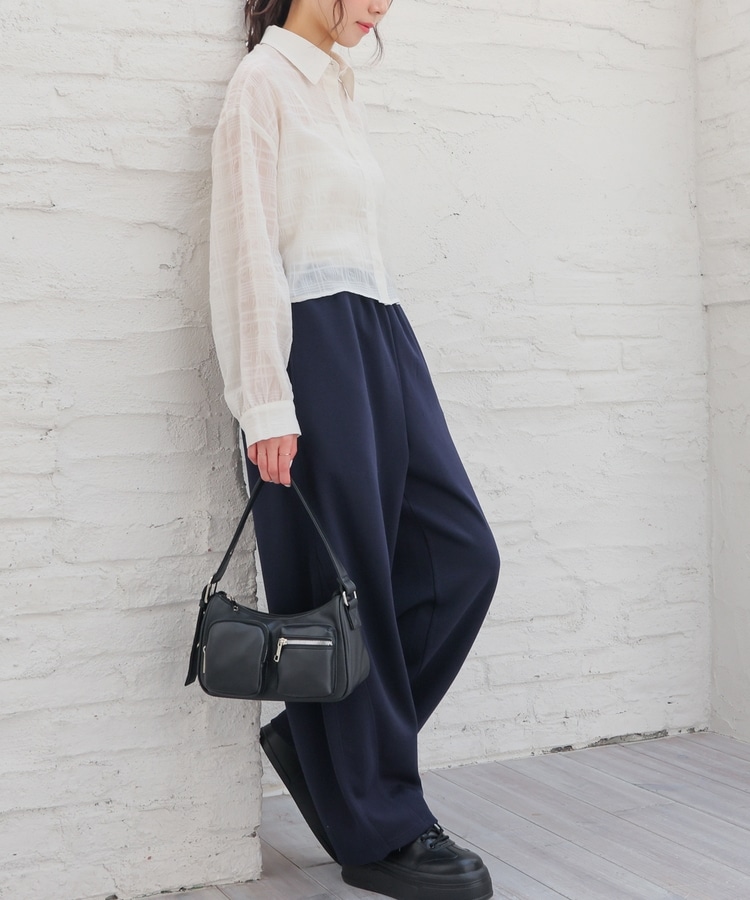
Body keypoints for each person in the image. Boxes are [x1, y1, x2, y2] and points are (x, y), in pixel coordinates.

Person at [207, 1, 501, 898]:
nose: (381, 7)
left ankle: (321, 745)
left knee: (461, 556)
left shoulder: (338, 88)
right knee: (351, 583)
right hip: (315, 343)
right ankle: (380, 829)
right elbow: (246, 248)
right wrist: (266, 401)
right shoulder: (263, 83)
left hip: (380, 330)